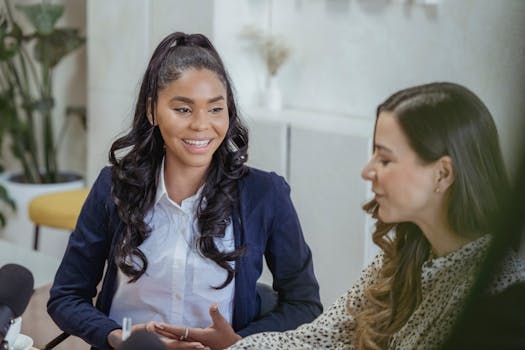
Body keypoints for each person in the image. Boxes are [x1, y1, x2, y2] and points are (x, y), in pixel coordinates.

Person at [151, 82, 525, 350]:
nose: (367, 170)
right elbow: (322, 337)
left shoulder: (495, 293)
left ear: (442, 174)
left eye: (385, 158)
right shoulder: (401, 258)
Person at [47, 32, 322, 350]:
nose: (201, 125)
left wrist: (239, 343)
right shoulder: (114, 187)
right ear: (153, 111)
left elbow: (304, 305)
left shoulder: (265, 194)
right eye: (183, 110)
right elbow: (66, 296)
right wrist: (116, 338)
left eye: (216, 109)